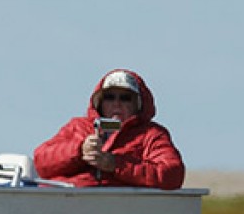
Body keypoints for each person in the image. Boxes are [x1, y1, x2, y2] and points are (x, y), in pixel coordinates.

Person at [34, 67, 186, 190]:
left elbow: (172, 174)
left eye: (125, 98)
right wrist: (79, 151)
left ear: (137, 104)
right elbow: (41, 161)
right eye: (109, 97)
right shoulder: (78, 127)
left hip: (123, 213)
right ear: (100, 101)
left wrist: (116, 164)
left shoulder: (151, 135)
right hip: (68, 207)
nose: (116, 103)